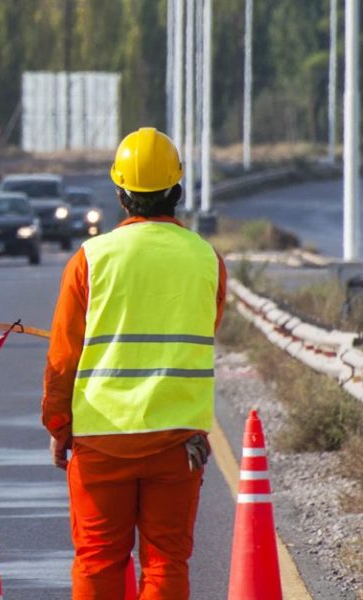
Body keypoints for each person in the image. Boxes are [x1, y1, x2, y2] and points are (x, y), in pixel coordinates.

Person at [41, 127, 226, 599]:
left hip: (102, 440)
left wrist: (60, 425)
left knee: (100, 560)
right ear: (178, 191)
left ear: (120, 193)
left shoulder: (90, 259)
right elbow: (206, 330)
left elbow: (63, 356)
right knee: (166, 562)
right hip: (177, 438)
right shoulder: (206, 260)